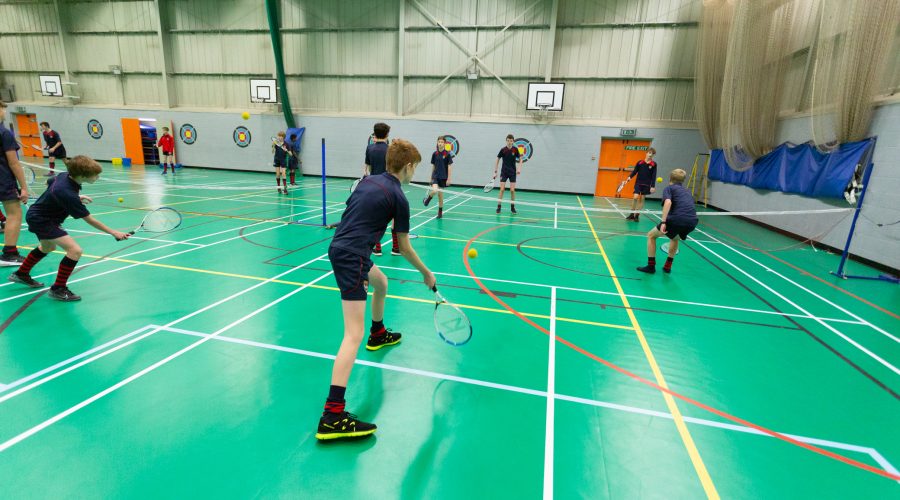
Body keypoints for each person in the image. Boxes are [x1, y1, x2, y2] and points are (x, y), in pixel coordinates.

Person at [317, 138, 436, 441]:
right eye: (415, 168)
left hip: (343, 248)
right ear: (408, 166)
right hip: (353, 256)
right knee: (351, 335)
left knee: (382, 282)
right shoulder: (399, 197)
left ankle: (379, 333)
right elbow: (405, 248)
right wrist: (426, 273)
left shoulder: (366, 181)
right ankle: (332, 416)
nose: (415, 173)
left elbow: (354, 214)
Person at [7, 156, 130, 300]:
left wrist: (75, 197)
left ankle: (21, 274)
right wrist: (114, 232)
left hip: (42, 216)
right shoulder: (67, 193)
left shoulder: (64, 176)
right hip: (43, 220)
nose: (97, 177)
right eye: (95, 175)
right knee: (75, 250)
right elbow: (89, 219)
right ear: (82, 175)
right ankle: (58, 288)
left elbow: (50, 183)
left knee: (47, 247)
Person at [636, 169, 698, 275]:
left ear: (670, 178)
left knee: (651, 235)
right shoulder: (687, 191)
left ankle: (651, 266)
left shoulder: (669, 188)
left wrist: (664, 222)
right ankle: (667, 267)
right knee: (675, 237)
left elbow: (668, 202)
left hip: (677, 219)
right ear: (682, 180)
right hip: (692, 222)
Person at [364, 122, 399, 256]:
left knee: (374, 218)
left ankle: (377, 248)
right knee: (395, 216)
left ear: (374, 133)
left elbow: (366, 168)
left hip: (373, 187)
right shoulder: (390, 150)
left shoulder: (369, 148)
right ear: (387, 134)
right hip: (389, 186)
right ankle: (396, 248)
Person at [0, 101, 28, 266]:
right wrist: (23, 187)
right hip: (3, 179)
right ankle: (9, 254)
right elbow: (14, 162)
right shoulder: (4, 133)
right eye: (3, 108)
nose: (4, 111)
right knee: (14, 213)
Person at [423, 136, 453, 219]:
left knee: (440, 195)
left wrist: (449, 179)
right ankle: (427, 199)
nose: (440, 143)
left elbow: (449, 166)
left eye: (442, 142)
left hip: (443, 177)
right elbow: (433, 166)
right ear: (437, 143)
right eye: (439, 142)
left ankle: (440, 212)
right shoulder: (434, 154)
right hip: (435, 176)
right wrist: (431, 177)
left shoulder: (447, 154)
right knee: (435, 190)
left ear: (444, 143)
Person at [624, 148, 658, 222]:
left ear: (653, 155)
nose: (650, 155)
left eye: (652, 154)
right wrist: (629, 177)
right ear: (646, 153)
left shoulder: (654, 164)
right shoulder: (640, 162)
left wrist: (652, 186)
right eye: (649, 153)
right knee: (635, 197)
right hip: (638, 183)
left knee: (642, 199)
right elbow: (635, 171)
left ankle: (637, 215)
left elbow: (654, 175)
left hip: (646, 184)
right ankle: (632, 214)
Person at [493, 134, 522, 214]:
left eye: (511, 141)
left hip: (512, 172)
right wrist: (495, 171)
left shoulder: (515, 150)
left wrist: (519, 168)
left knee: (512, 190)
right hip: (504, 172)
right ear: (506, 141)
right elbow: (497, 159)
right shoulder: (503, 150)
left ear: (513, 141)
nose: (509, 142)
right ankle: (499, 207)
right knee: (502, 189)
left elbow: (521, 159)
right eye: (508, 140)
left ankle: (512, 207)